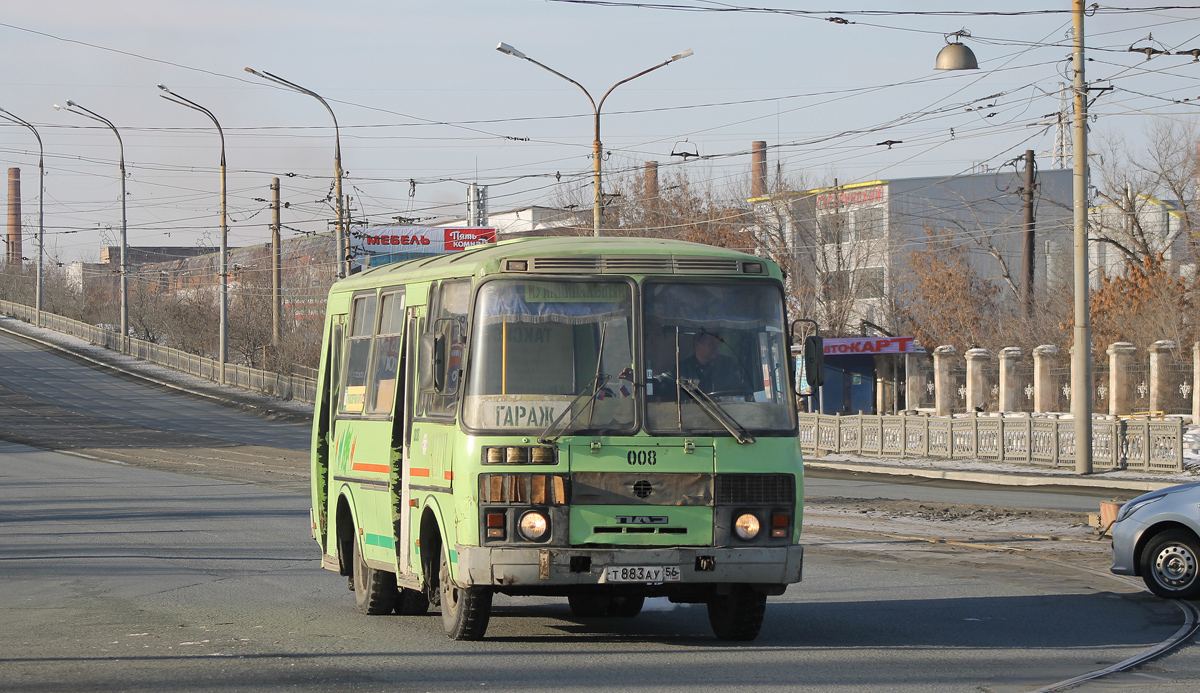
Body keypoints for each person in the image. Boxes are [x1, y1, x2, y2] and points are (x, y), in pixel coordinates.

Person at [677, 332, 752, 396]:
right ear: (697, 345)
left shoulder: (728, 365)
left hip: (722, 411)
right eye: (711, 344)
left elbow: (743, 388)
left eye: (717, 344)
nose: (716, 348)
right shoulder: (682, 369)